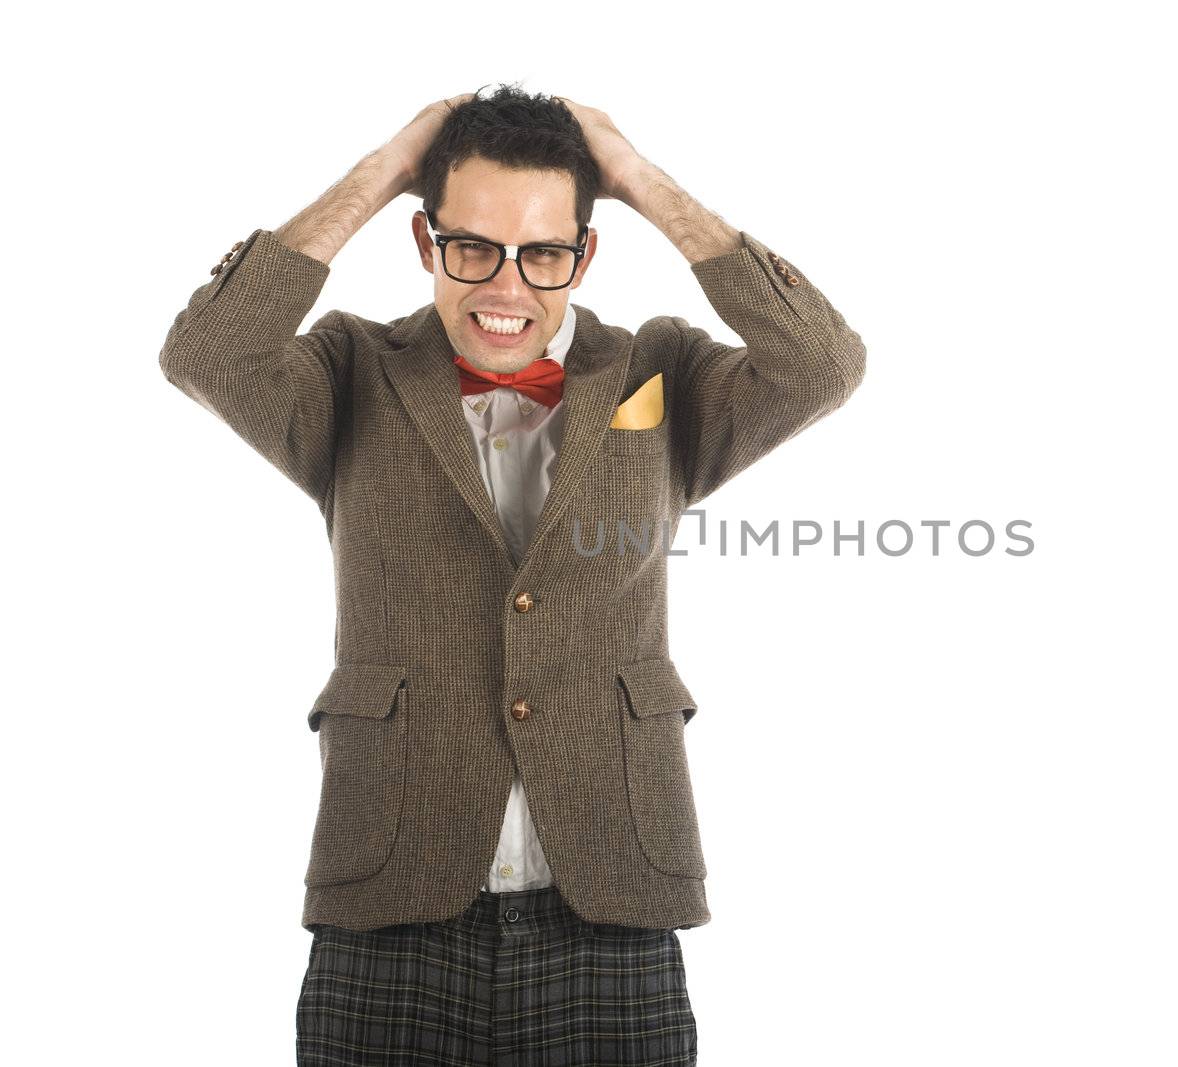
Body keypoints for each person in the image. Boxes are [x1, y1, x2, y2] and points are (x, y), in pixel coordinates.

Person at [158, 85, 867, 1065]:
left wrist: (640, 179)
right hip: (393, 897)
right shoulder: (349, 370)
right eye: (471, 247)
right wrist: (383, 166)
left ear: (584, 252)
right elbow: (207, 350)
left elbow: (821, 364)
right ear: (424, 242)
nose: (505, 287)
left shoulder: (656, 370)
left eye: (543, 253)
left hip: (611, 896)